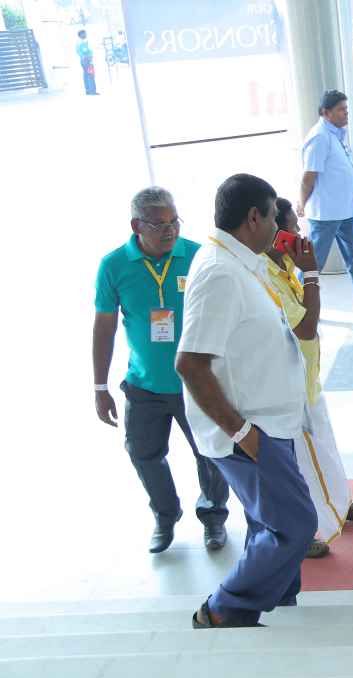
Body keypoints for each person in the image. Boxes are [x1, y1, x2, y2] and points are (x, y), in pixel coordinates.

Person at [176, 174, 317, 629]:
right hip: (250, 432)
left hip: (271, 424)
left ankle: (279, 602)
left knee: (267, 523)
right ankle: (224, 609)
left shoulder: (243, 263)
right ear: (253, 217)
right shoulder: (219, 273)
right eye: (274, 216)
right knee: (294, 525)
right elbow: (190, 363)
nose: (278, 226)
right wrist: (242, 433)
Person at [93, 187, 229, 553]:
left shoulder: (197, 255)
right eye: (159, 224)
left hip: (198, 382)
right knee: (143, 454)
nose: (170, 231)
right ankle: (165, 515)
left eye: (174, 222)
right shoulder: (114, 266)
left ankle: (214, 516)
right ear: (137, 226)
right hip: (144, 384)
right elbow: (104, 327)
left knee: (210, 454)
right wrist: (99, 387)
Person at [266, 199, 353, 559]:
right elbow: (306, 327)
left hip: (308, 377)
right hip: (286, 385)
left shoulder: (284, 266)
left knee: (324, 448)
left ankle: (338, 504)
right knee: (301, 464)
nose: (299, 233)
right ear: (275, 233)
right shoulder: (265, 275)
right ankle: (305, 531)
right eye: (292, 228)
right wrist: (311, 273)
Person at [297, 90, 353, 314]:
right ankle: (296, 306)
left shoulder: (336, 134)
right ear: (326, 113)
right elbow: (309, 176)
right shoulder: (319, 137)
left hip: (346, 211)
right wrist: (301, 203)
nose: (346, 113)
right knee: (313, 264)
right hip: (326, 215)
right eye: (341, 110)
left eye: (346, 109)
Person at [76, 29, 98, 96]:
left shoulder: (83, 42)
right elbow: (80, 51)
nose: (86, 35)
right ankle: (92, 91)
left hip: (86, 60)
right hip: (86, 60)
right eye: (84, 34)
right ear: (81, 35)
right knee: (90, 75)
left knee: (86, 75)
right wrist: (87, 56)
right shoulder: (81, 43)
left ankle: (88, 90)